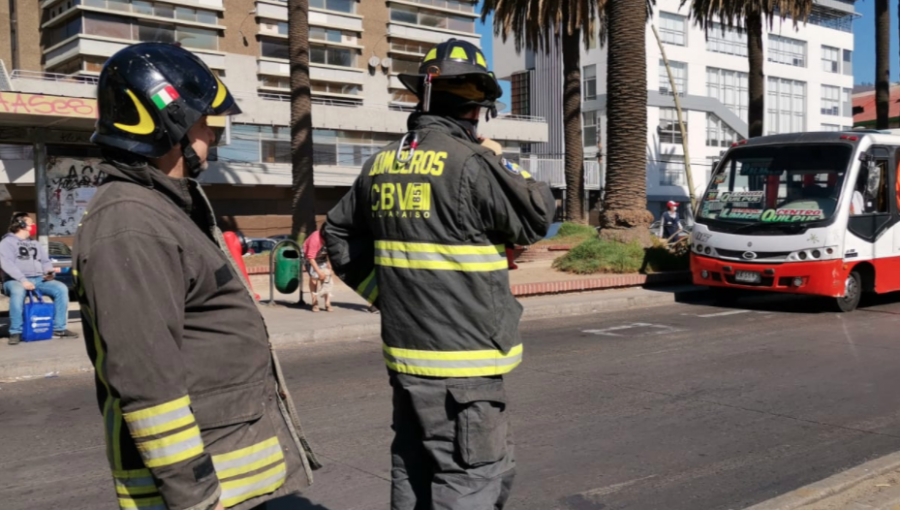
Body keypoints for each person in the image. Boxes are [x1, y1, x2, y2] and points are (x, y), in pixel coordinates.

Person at [74, 43, 318, 510]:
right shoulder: (131, 224)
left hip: (235, 480)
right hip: (207, 493)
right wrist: (194, 497)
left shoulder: (161, 208)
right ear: (170, 123)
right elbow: (148, 384)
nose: (214, 135)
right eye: (205, 121)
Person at [324, 38, 556, 510]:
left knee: (412, 470)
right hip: (463, 368)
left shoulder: (381, 163)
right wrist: (495, 154)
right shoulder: (471, 162)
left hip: (408, 361)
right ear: (476, 109)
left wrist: (384, 295)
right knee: (472, 479)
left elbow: (337, 233)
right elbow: (537, 214)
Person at [0, 212, 77, 345]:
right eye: (31, 223)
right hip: (14, 280)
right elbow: (7, 264)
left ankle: (59, 329)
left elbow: (45, 261)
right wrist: (23, 280)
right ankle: (15, 331)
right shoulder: (7, 242)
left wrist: (49, 272)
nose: (34, 226)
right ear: (21, 225)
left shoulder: (35, 243)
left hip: (38, 278)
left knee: (61, 288)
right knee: (18, 292)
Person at [302, 229, 332, 312]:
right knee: (314, 278)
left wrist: (329, 264)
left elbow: (330, 252)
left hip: (322, 257)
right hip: (309, 257)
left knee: (327, 276)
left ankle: (327, 303)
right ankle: (315, 302)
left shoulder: (332, 238)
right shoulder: (315, 239)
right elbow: (310, 258)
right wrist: (319, 272)